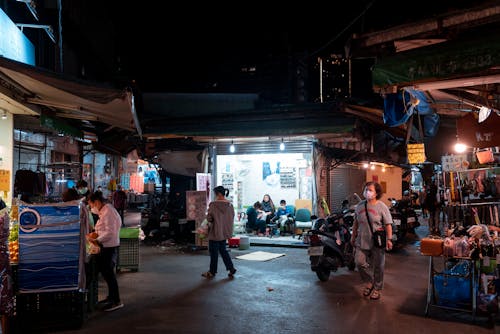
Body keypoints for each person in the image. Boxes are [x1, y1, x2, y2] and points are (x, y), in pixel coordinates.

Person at [350, 181, 393, 300]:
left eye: (370, 190)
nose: (367, 192)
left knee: (379, 266)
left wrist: (389, 239)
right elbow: (356, 223)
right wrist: (353, 236)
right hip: (362, 240)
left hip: (377, 240)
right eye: (365, 190)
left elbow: (388, 224)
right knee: (359, 262)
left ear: (376, 193)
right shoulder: (360, 206)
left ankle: (377, 288)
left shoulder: (381, 206)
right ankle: (369, 282)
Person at [87, 191, 124, 311]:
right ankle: (111, 297)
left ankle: (116, 301)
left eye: (92, 205)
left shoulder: (108, 211)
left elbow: (110, 232)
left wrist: (97, 239)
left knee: (109, 275)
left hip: (109, 247)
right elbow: (103, 228)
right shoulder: (104, 211)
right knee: (106, 274)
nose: (92, 208)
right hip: (105, 246)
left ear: (97, 202)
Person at [201, 186, 237, 279]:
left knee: (214, 253)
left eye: (215, 194)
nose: (215, 196)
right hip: (224, 233)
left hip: (215, 232)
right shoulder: (230, 205)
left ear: (219, 194)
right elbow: (232, 217)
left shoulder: (213, 205)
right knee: (223, 251)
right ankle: (231, 268)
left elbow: (209, 218)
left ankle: (212, 272)